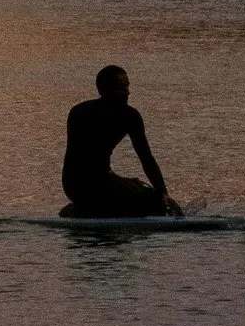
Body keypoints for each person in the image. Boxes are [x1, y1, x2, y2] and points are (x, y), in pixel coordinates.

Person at [61, 65, 183, 217]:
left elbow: (146, 159)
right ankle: (82, 209)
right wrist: (162, 196)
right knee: (155, 201)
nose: (127, 93)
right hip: (79, 186)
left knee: (143, 189)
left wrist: (162, 191)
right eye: (121, 88)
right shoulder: (81, 113)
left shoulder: (128, 115)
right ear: (103, 90)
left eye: (127, 87)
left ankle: (87, 208)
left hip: (80, 186)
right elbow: (83, 160)